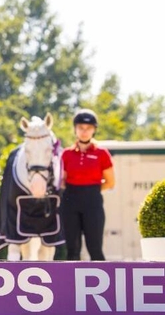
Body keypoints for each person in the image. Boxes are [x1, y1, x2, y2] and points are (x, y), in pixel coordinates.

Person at [61, 108, 115, 260]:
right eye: (81, 128)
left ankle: (102, 283)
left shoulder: (102, 153)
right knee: (72, 249)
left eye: (88, 128)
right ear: (75, 129)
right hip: (70, 201)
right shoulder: (66, 154)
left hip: (93, 202)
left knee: (95, 248)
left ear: (94, 130)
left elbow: (110, 182)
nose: (84, 132)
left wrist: (92, 190)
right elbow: (62, 180)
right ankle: (70, 283)